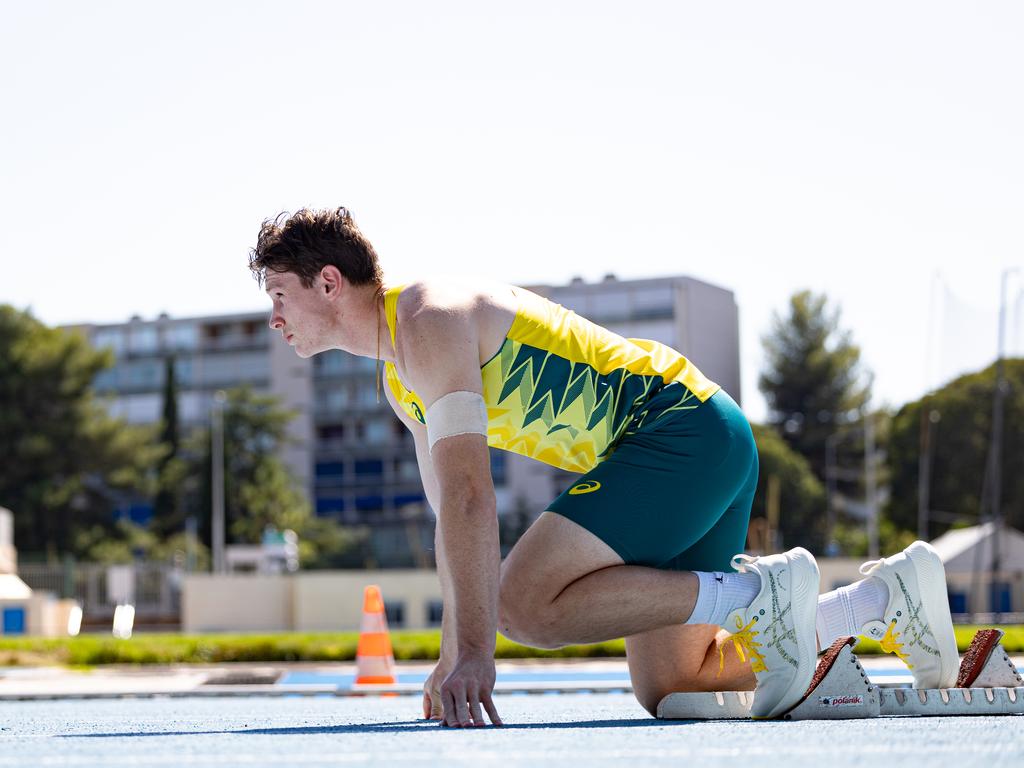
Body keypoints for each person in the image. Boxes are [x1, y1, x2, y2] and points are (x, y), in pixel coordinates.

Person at [249, 207, 960, 727]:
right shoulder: (397, 379)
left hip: (682, 431)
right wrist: (451, 655)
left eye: (280, 296)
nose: (274, 320)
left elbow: (473, 496)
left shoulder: (428, 321)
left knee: (523, 602)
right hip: (683, 450)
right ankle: (879, 601)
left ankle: (758, 596)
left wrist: (479, 651)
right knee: (679, 685)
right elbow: (449, 523)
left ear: (330, 282)